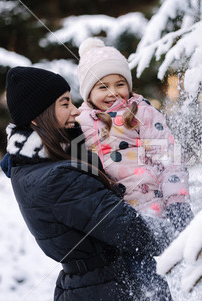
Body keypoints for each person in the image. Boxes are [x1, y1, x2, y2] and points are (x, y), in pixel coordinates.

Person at [0, 66, 172, 301]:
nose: (75, 111)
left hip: (91, 285)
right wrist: (178, 233)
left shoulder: (27, 165)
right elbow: (131, 231)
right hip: (105, 291)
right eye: (64, 103)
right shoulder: (59, 179)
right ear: (37, 115)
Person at [76, 38, 193, 239]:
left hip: (149, 208)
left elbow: (169, 157)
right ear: (88, 93)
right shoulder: (80, 121)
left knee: (149, 267)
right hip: (110, 217)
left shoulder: (141, 113)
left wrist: (177, 202)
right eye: (103, 87)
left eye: (120, 84)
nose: (113, 93)